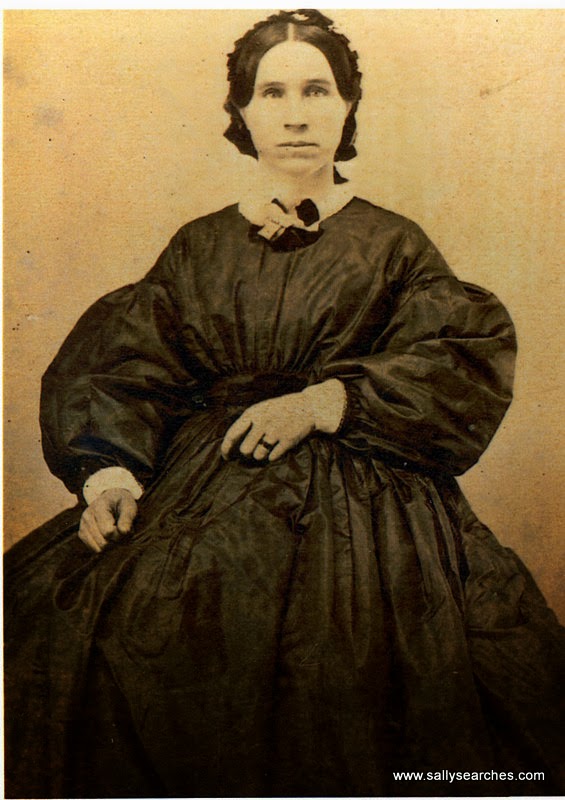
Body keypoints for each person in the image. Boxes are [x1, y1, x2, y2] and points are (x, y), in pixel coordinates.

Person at [4, 9, 564, 798]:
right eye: (272, 93)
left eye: (317, 90)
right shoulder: (197, 246)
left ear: (347, 106)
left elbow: (457, 358)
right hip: (198, 490)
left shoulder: (395, 244)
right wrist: (110, 478)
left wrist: (326, 402)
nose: (296, 115)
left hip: (367, 510)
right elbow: (126, 365)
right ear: (241, 110)